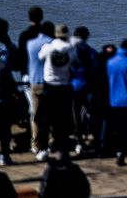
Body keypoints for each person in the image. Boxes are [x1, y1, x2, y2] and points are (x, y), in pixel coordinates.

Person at [37, 24, 80, 155]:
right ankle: (62, 147)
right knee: (64, 119)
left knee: (45, 119)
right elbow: (75, 63)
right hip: (64, 87)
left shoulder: (48, 47)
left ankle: (43, 148)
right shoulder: (71, 49)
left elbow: (40, 57)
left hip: (49, 86)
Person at [26, 21, 54, 158]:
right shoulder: (52, 43)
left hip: (34, 83)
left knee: (35, 115)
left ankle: (34, 143)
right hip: (48, 83)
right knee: (49, 115)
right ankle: (48, 142)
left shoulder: (30, 44)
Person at [69, 27, 97, 153]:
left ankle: (79, 141)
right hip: (88, 86)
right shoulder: (91, 52)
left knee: (76, 115)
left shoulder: (70, 52)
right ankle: (93, 138)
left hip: (74, 86)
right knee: (91, 112)